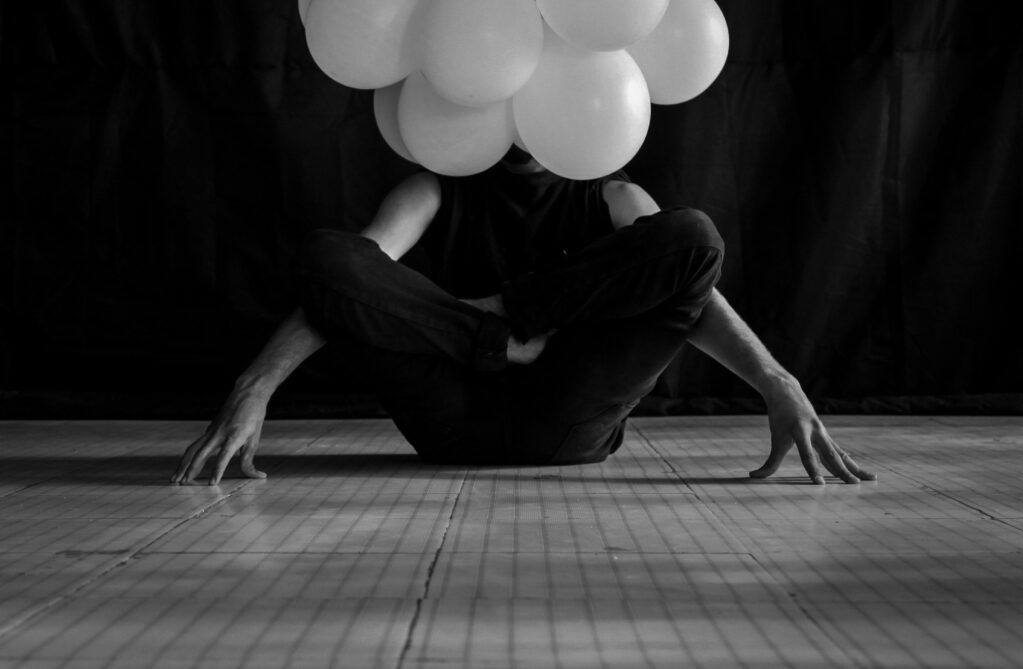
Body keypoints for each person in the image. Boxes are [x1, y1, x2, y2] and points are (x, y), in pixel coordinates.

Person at [172, 148, 874, 486]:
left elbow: (694, 277)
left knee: (691, 237)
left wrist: (776, 381)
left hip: (568, 413)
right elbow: (342, 284)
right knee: (330, 257)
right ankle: (498, 336)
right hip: (446, 410)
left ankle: (507, 325)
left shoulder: (612, 193)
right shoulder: (436, 185)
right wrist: (254, 386)